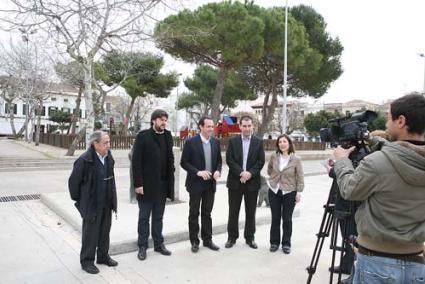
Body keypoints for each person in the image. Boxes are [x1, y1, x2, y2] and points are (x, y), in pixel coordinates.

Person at [333, 93, 425, 283]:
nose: (385, 124)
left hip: (377, 261)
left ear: (401, 121)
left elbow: (349, 190)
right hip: (417, 262)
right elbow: (402, 152)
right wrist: (373, 141)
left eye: (389, 118)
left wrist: (342, 161)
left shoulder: (376, 162)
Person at [68, 131, 118, 274]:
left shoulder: (109, 157)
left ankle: (103, 256)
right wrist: (82, 201)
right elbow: (73, 184)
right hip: (92, 204)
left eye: (109, 142)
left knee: (104, 232)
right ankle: (87, 261)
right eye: (105, 143)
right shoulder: (84, 160)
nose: (109, 145)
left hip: (107, 203)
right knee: (90, 235)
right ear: (95, 144)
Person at [132, 109, 175, 261]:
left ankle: (158, 244)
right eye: (161, 120)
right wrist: (138, 184)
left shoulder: (168, 136)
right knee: (144, 218)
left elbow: (170, 159)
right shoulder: (143, 136)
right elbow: (136, 162)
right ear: (153, 121)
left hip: (162, 185)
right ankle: (142, 246)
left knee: (158, 217)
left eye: (165, 120)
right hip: (146, 186)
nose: (164, 122)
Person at [180, 117, 222, 253]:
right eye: (208, 126)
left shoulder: (216, 142)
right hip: (195, 183)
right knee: (194, 213)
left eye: (212, 126)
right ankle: (194, 241)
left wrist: (217, 171)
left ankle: (207, 240)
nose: (211, 129)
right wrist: (197, 172)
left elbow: (219, 161)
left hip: (210, 184)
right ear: (201, 127)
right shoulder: (191, 142)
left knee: (207, 213)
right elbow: (184, 162)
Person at [225, 115, 265, 249]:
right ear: (240, 126)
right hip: (235, 182)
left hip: (252, 183)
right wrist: (241, 173)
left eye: (249, 126)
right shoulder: (233, 141)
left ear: (253, 126)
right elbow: (229, 160)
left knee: (251, 212)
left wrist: (249, 173)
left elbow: (261, 161)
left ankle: (250, 238)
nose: (247, 128)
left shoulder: (259, 142)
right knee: (233, 211)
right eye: (244, 126)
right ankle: (232, 237)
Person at [266, 134, 304, 254]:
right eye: (280, 142)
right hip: (274, 191)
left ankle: (286, 244)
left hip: (289, 192)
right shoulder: (274, 156)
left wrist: (299, 192)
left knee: (287, 219)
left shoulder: (296, 159)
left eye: (284, 142)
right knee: (275, 218)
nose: (282, 144)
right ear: (278, 144)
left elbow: (300, 177)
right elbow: (269, 169)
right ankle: (274, 242)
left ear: (289, 144)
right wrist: (273, 178)